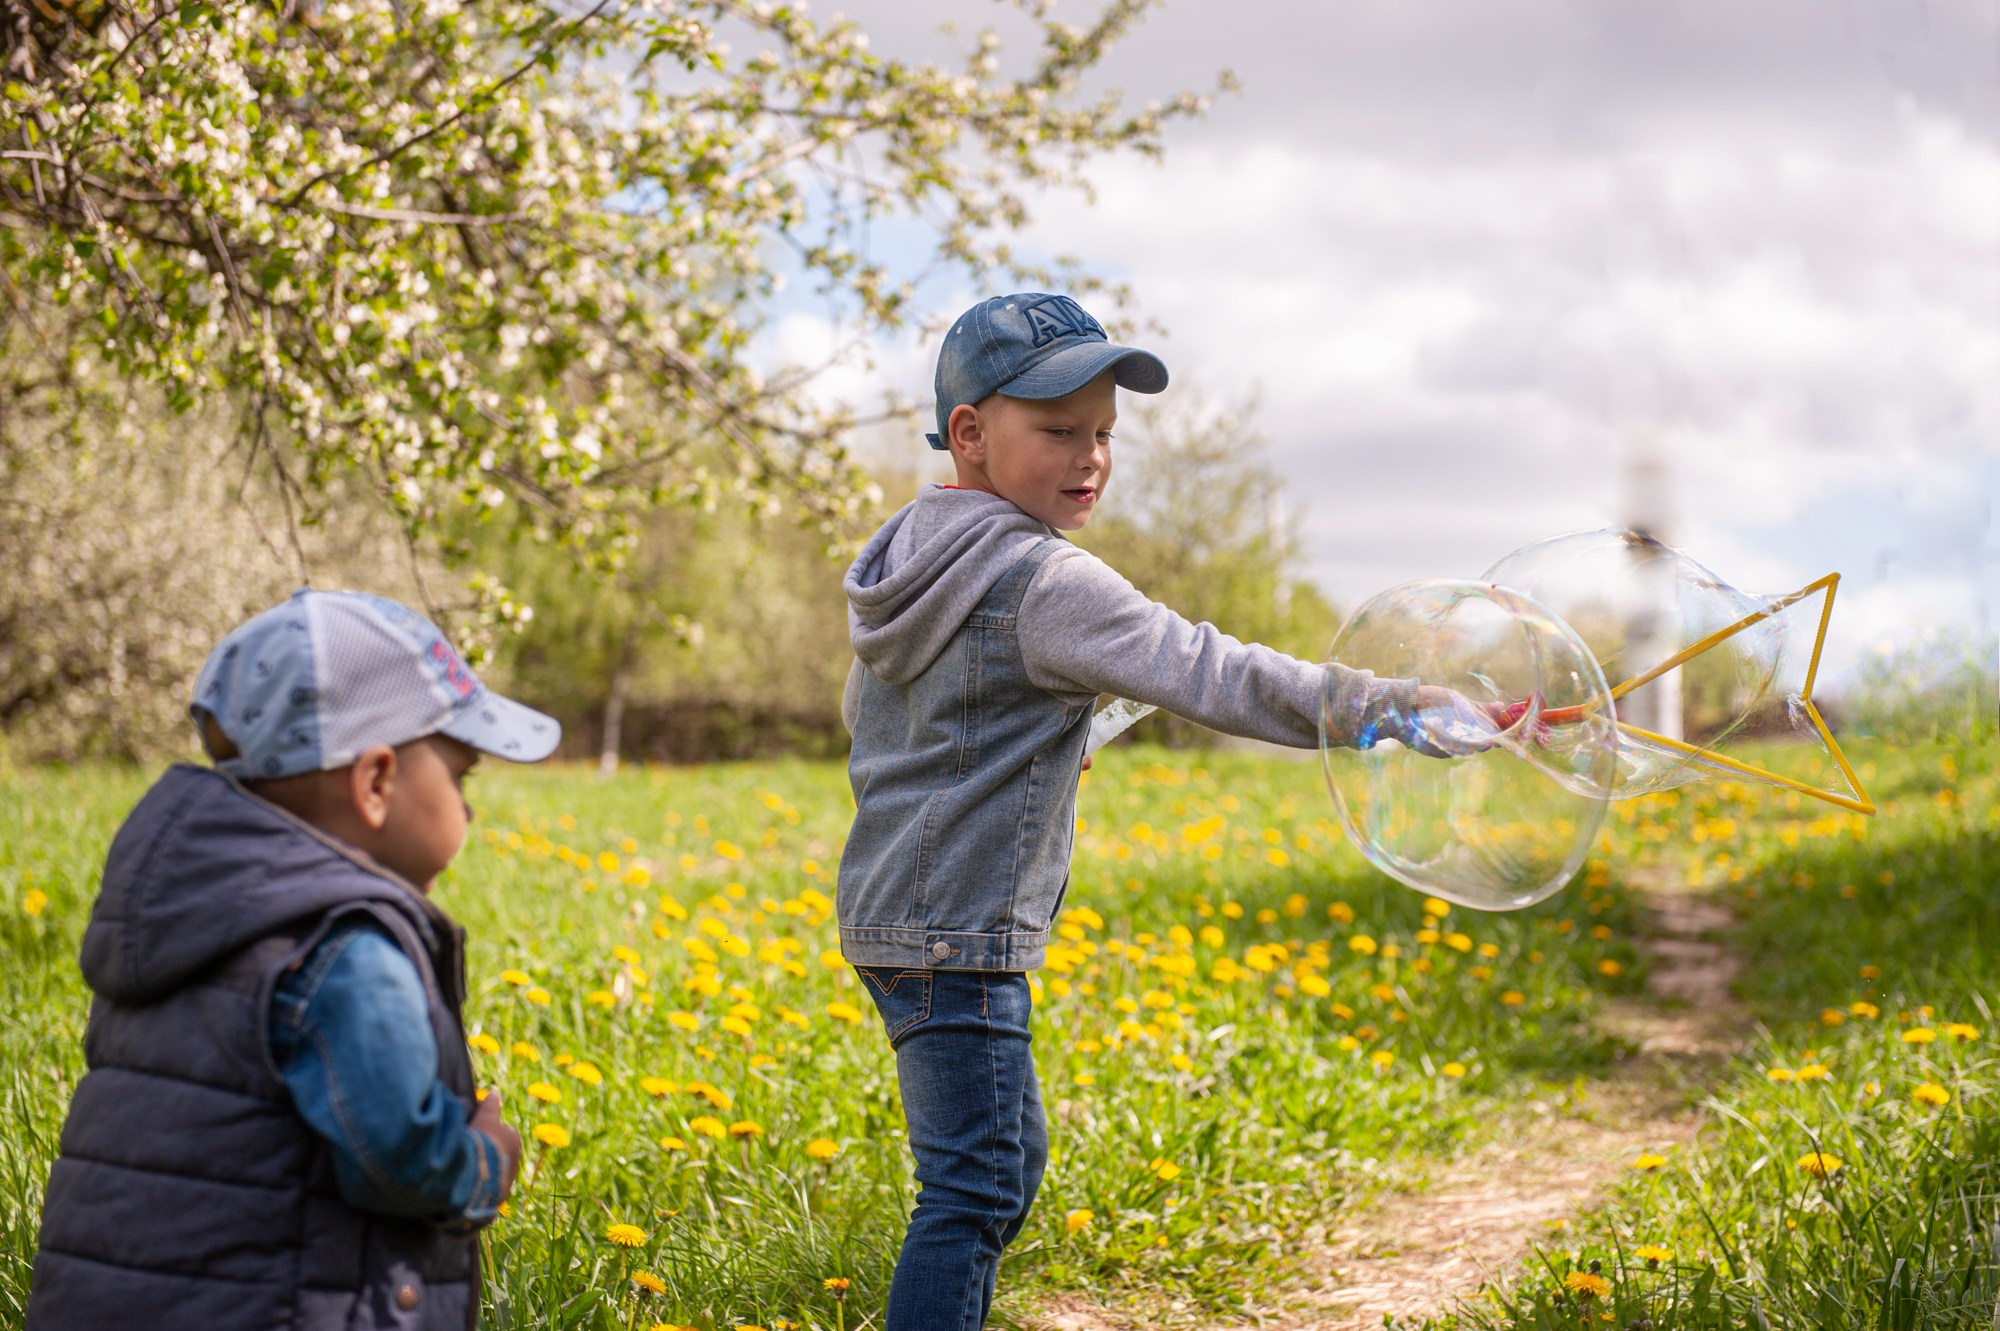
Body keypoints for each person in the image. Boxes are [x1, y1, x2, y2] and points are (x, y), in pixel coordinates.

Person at [837, 292, 1480, 1328]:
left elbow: (899, 719)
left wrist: (1058, 741)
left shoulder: (905, 558)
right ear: (969, 432)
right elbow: (1209, 668)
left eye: (1102, 433)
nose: (1088, 456)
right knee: (971, 1189)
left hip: (888, 912)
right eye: (1056, 431)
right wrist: (1389, 707)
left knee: (996, 1159)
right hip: (958, 929)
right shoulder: (1043, 574)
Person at [27, 590, 562, 1331]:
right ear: (376, 783)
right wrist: (485, 1158)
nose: (469, 809)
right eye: (461, 778)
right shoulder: (341, 945)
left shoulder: (185, 914)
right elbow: (398, 1155)